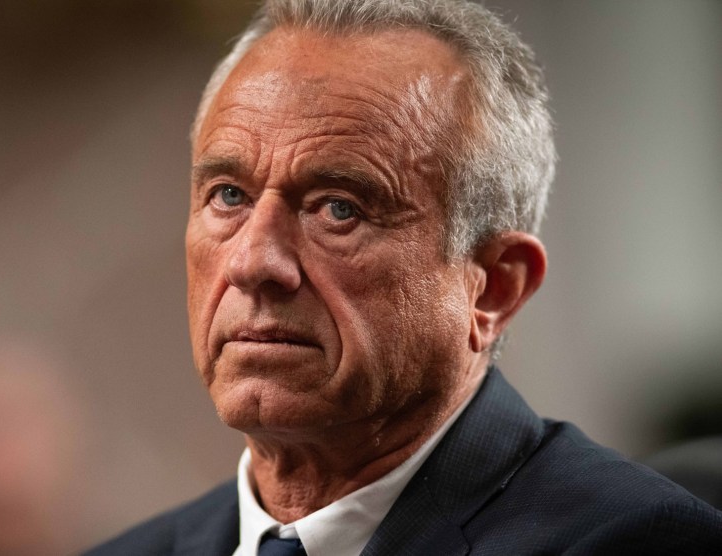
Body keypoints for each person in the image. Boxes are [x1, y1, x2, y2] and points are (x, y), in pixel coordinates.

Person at [88, 0, 722, 554]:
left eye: (339, 208)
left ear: (494, 286)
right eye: (228, 196)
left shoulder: (632, 540)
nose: (253, 262)